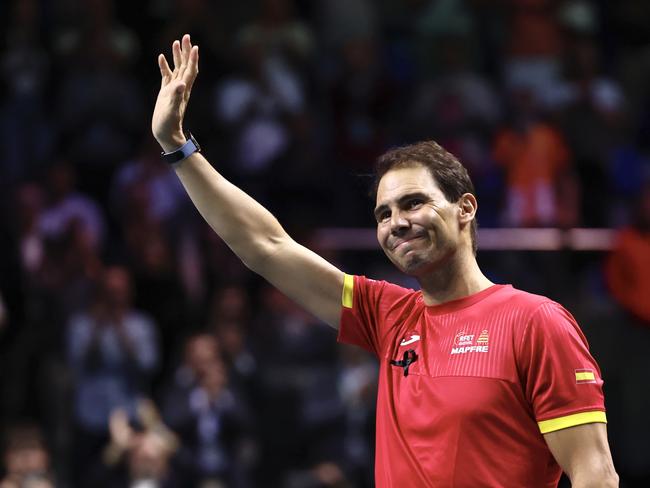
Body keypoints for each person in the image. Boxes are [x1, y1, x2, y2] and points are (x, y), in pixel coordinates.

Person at [151, 34, 618, 487]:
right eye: (383, 213)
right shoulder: (388, 317)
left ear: (466, 208)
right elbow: (266, 246)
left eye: (414, 202)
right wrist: (177, 146)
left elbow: (595, 475)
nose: (396, 222)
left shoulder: (535, 323)